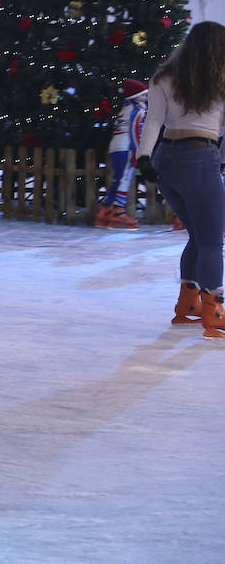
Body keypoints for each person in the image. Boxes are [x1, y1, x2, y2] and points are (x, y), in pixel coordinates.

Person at [135, 21, 225, 337]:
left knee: (199, 236)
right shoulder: (221, 79)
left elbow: (154, 120)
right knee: (213, 239)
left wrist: (143, 158)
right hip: (201, 157)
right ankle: (214, 311)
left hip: (165, 161)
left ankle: (188, 306)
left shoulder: (164, 77)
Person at [97, 78, 148, 230]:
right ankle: (118, 213)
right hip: (127, 147)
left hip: (117, 146)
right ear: (135, 96)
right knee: (125, 178)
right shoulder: (137, 110)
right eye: (143, 95)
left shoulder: (125, 109)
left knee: (118, 179)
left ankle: (104, 212)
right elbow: (135, 131)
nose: (146, 97)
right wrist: (137, 151)